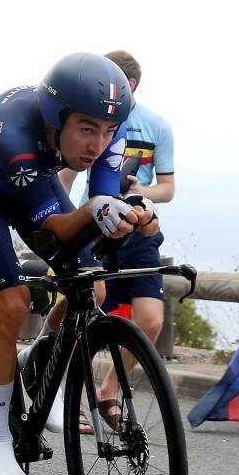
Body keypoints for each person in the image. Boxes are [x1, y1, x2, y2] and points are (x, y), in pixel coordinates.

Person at [0, 52, 157, 475]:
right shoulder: (18, 137)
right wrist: (101, 211)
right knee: (11, 304)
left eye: (107, 131)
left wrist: (134, 214)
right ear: (55, 118)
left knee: (94, 289)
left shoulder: (105, 135)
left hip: (36, 182)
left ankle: (39, 358)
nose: (97, 145)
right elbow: (56, 231)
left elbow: (102, 205)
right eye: (85, 130)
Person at [59, 50, 176, 433]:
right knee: (90, 298)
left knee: (151, 321)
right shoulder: (85, 116)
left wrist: (143, 194)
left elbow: (168, 188)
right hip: (93, 222)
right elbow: (65, 178)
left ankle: (108, 392)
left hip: (137, 223)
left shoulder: (157, 126)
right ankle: (66, 386)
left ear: (132, 87)